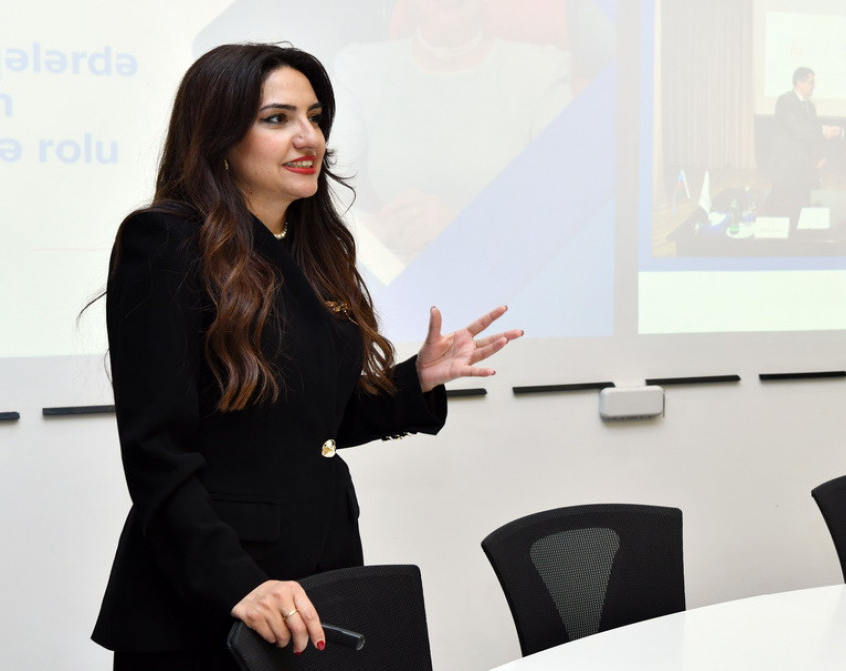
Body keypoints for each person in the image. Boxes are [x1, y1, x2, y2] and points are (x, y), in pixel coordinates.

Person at [90, 43, 522, 670]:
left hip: (317, 578)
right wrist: (239, 584)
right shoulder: (164, 241)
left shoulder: (306, 248)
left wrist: (416, 381)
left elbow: (309, 423)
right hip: (213, 595)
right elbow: (158, 452)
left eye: (315, 117)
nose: (309, 137)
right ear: (218, 136)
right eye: (277, 118)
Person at [334, 0, 573, 265]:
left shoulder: (541, 73)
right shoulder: (360, 69)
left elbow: (565, 210)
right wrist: (371, 232)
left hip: (506, 275)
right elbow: (314, 193)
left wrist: (463, 226)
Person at [768, 66, 834, 220]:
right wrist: (823, 130)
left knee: (804, 206)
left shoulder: (810, 106)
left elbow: (813, 137)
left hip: (806, 167)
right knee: (785, 209)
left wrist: (821, 156)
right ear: (799, 83)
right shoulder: (785, 101)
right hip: (787, 167)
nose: (814, 86)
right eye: (811, 82)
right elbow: (797, 131)